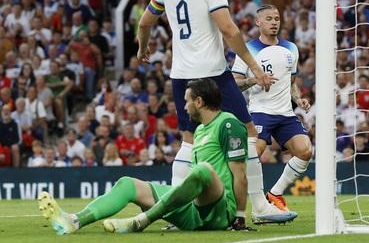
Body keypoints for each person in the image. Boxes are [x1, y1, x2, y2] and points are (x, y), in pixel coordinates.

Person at [136, 0, 294, 224]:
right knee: (249, 133)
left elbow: (145, 23)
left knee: (188, 140)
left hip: (181, 74)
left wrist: (143, 48)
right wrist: (255, 66)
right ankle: (260, 207)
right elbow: (227, 27)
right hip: (212, 73)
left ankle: (172, 212)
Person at [38, 78, 281, 234]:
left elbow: (240, 175)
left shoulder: (229, 124)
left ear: (199, 101)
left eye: (187, 101)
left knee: (203, 170)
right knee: (127, 184)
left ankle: (141, 221)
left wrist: (239, 217)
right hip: (195, 208)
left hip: (220, 211)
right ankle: (74, 221)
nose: (184, 107)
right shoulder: (200, 130)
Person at [232, 4, 313, 213]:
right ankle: (248, 205)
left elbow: (291, 81)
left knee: (305, 151)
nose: (274, 22)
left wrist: (299, 99)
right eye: (269, 19)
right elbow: (235, 83)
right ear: (258, 22)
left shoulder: (291, 48)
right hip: (260, 112)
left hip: (286, 113)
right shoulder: (247, 49)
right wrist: (255, 78)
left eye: (276, 18)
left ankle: (275, 193)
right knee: (253, 154)